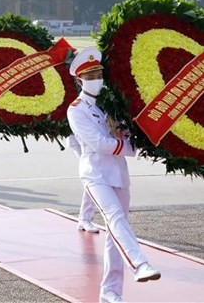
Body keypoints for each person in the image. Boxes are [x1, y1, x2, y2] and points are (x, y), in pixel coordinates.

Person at [66, 47, 161, 303]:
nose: (96, 78)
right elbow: (99, 143)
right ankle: (140, 264)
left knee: (115, 232)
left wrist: (144, 142)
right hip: (95, 174)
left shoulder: (111, 104)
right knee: (115, 217)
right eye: (90, 75)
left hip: (118, 173)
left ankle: (110, 292)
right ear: (79, 80)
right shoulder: (76, 110)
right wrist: (131, 149)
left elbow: (124, 133)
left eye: (98, 73)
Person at [67, 134, 98, 234]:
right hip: (81, 142)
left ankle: (85, 218)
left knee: (94, 176)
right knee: (93, 176)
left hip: (93, 142)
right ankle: (85, 218)